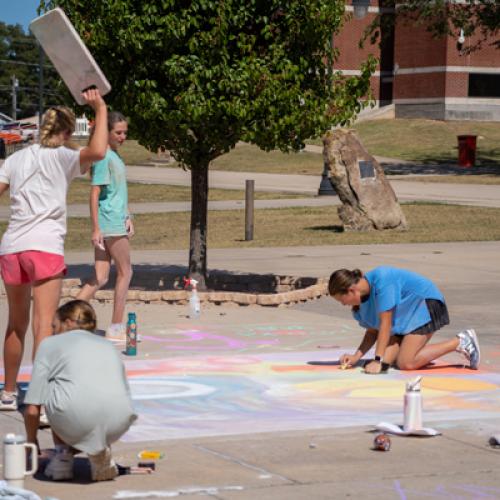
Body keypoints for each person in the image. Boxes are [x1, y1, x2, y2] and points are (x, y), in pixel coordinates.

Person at [0, 90, 108, 411]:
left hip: (12, 248)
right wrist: (100, 107)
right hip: (44, 246)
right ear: (64, 132)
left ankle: (7, 393)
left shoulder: (16, 159)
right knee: (44, 324)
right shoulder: (61, 155)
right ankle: (40, 395)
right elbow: (99, 151)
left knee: (16, 323)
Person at [23, 300, 137, 481]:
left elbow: (32, 409)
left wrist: (31, 442)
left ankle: (62, 457)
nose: (53, 331)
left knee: (56, 386)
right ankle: (99, 447)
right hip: (120, 421)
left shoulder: (49, 344)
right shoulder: (107, 345)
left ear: (67, 322)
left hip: (77, 416)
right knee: (88, 391)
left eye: (55, 326)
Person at [329, 266, 480, 374]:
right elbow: (372, 332)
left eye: (342, 300)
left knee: (406, 363)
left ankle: (461, 341)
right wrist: (356, 357)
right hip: (405, 318)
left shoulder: (382, 279)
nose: (343, 304)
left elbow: (385, 324)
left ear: (351, 290)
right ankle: (409, 349)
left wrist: (377, 360)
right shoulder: (362, 301)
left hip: (425, 305)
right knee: (388, 363)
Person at [77, 112, 133, 342]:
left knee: (100, 277)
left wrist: (128, 215)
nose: (122, 137)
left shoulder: (114, 156)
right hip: (110, 223)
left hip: (116, 219)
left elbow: (117, 193)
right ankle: (117, 327)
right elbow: (95, 192)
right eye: (118, 133)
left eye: (125, 133)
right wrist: (96, 228)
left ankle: (68, 320)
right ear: (106, 133)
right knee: (125, 272)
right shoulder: (104, 157)